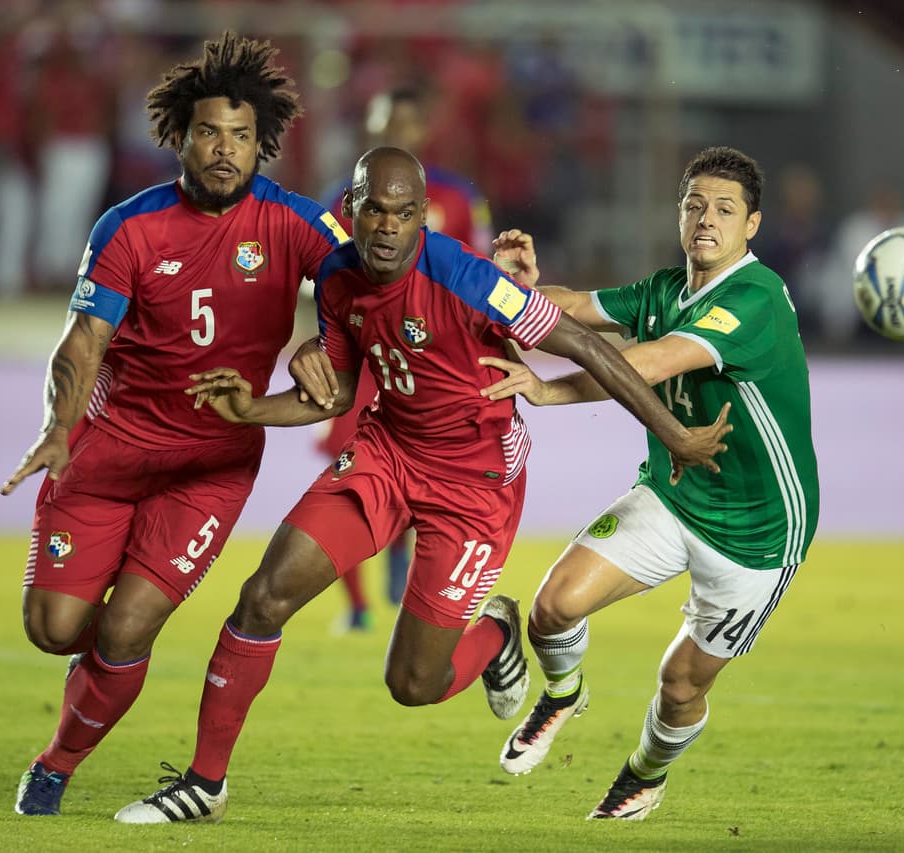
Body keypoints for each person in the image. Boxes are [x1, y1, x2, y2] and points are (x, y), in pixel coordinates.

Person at [111, 146, 732, 824]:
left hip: (474, 484)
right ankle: (204, 783)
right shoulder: (340, 279)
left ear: (420, 218)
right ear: (350, 211)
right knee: (263, 595)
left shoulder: (465, 277)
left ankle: (496, 633)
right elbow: (337, 392)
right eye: (374, 210)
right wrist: (252, 407)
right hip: (386, 453)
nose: (386, 227)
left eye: (404, 213)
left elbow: (585, 346)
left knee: (412, 683)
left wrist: (674, 433)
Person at [0, 32, 350, 817]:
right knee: (55, 628)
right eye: (208, 132)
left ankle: (55, 762)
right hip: (108, 449)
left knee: (125, 629)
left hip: (210, 466)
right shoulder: (128, 227)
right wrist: (59, 423)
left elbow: (366, 289)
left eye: (241, 136)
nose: (224, 150)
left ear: (263, 146)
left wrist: (323, 340)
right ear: (178, 137)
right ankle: (90, 675)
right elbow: (83, 340)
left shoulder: (297, 225)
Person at [482, 146, 819, 820]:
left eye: (725, 209)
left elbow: (652, 362)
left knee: (680, 685)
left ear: (752, 225)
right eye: (695, 205)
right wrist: (501, 287)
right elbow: (573, 305)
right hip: (674, 495)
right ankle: (563, 692)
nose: (706, 218)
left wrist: (548, 391)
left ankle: (645, 771)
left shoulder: (753, 298)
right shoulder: (669, 288)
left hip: (757, 535)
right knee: (553, 608)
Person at [321, 86, 496, 626]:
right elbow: (324, 279)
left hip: (432, 361)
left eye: (406, 124)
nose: (396, 134)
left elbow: (484, 277)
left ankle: (407, 556)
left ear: (424, 131)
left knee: (428, 461)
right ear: (371, 131)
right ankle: (356, 607)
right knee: (344, 468)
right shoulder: (341, 200)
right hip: (367, 354)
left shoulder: (460, 197)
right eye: (385, 123)